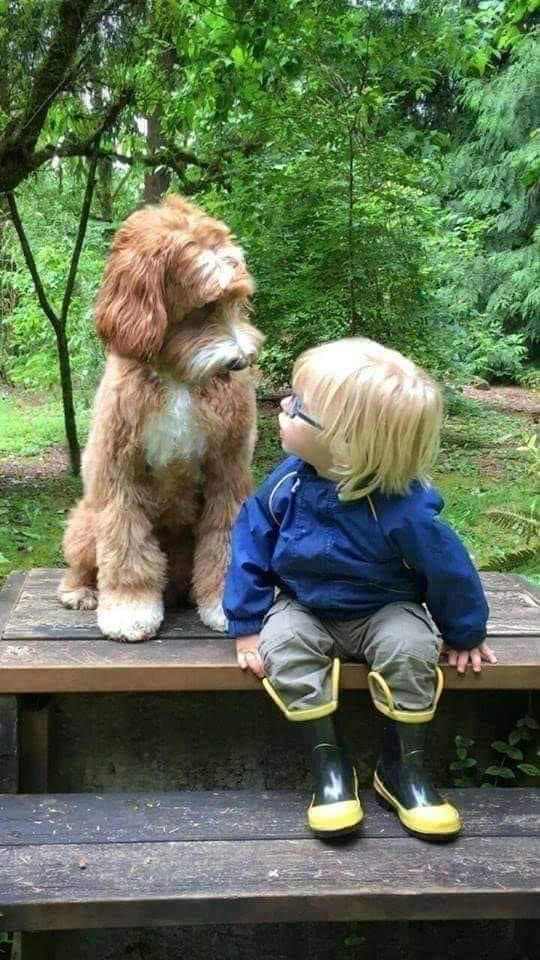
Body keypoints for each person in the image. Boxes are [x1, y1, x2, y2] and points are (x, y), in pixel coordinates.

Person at [223, 337, 496, 840]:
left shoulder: (403, 507)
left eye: (297, 406)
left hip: (385, 607)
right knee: (283, 646)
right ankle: (330, 767)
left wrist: (465, 633)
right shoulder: (289, 483)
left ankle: (403, 769)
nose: (283, 406)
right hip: (304, 605)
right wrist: (245, 622)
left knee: (411, 648)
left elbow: (448, 569)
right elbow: (251, 542)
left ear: (347, 443)